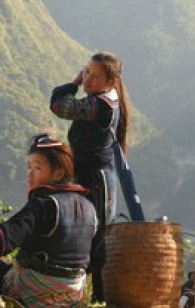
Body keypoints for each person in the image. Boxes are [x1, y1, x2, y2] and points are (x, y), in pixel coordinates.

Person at [50, 52, 144, 302]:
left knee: (95, 235)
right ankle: (85, 294)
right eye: (87, 72)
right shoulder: (103, 99)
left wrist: (74, 83)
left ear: (111, 82)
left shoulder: (100, 105)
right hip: (88, 175)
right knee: (85, 232)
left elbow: (59, 105)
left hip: (95, 180)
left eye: (95, 76)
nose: (88, 79)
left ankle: (99, 298)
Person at [0, 134, 97, 307]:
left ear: (58, 173)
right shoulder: (90, 208)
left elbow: (7, 237)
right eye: (29, 167)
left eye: (38, 168)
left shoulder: (44, 204)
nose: (29, 174)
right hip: (71, 295)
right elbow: (97, 255)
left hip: (35, 291)